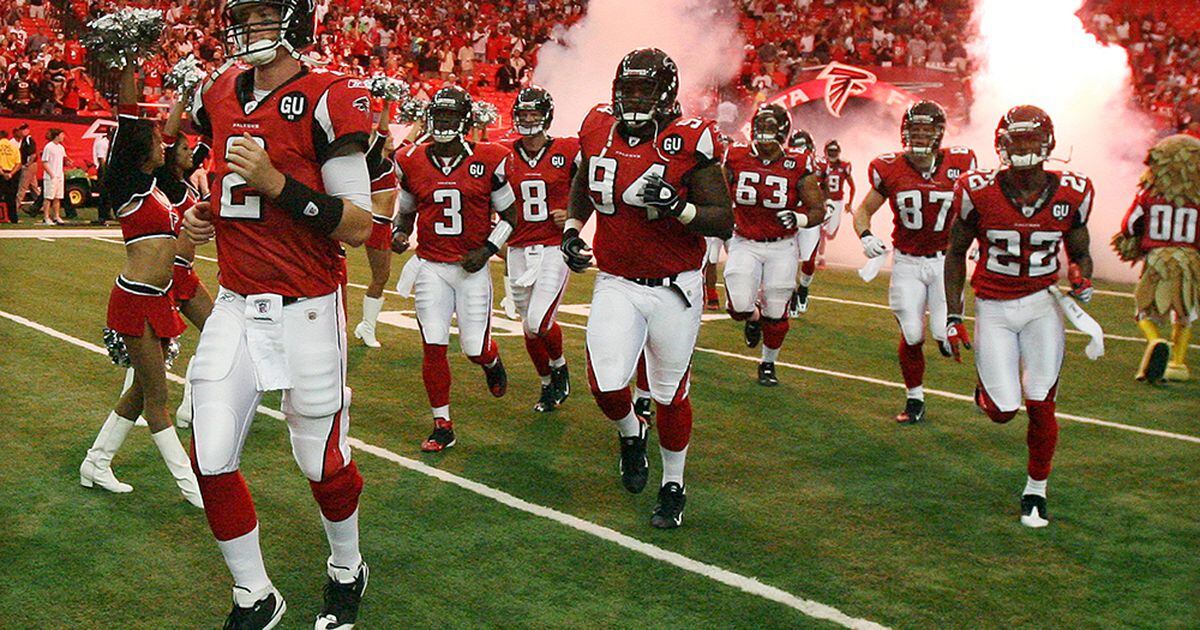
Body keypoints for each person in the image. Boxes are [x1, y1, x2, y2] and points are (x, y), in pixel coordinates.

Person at [181, 0, 374, 626]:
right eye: (247, 14)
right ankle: (255, 595)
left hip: (309, 306)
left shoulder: (328, 96)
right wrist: (203, 212)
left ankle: (347, 566)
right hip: (237, 302)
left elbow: (359, 224)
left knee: (320, 461)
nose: (252, 28)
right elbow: (217, 178)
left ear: (295, 20)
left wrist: (278, 186)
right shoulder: (217, 93)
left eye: (266, 14)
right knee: (209, 453)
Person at [562, 48, 733, 529]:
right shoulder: (597, 126)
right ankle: (630, 432)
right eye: (628, 89)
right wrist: (574, 227)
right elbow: (584, 177)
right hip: (616, 280)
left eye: (645, 90)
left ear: (665, 94)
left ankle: (672, 484)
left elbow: (723, 219)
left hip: (674, 287)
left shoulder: (690, 140)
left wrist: (679, 208)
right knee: (606, 383)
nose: (635, 99)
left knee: (669, 392)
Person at [944, 104, 1096, 528]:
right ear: (1002, 145)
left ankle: (1035, 491)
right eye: (1017, 141)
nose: (1024, 149)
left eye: (1031, 140)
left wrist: (1083, 274)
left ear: (1046, 143)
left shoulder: (1073, 191)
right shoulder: (977, 190)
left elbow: (1080, 250)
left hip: (1042, 305)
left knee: (1041, 402)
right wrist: (954, 316)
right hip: (993, 305)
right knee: (1003, 411)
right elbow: (955, 253)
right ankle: (988, 391)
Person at [79, 61, 203, 510]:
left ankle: (96, 461)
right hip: (134, 300)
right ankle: (194, 489)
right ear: (138, 149)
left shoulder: (157, 187)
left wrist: (186, 95)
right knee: (158, 399)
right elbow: (129, 119)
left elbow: (163, 135)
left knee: (140, 391)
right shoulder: (128, 183)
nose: (162, 145)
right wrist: (128, 57)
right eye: (155, 142)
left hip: (159, 298)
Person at [391, 85, 516, 452]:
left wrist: (489, 249)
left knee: (474, 347)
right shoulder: (411, 159)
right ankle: (442, 423)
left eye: (450, 115)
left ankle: (490, 359)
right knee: (433, 345)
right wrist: (400, 233)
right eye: (439, 115)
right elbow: (407, 211)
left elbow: (510, 215)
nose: (443, 122)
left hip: (471, 267)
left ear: (463, 120)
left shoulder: (490, 158)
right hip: (431, 266)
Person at [851, 100, 977, 424]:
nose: (920, 136)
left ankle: (952, 343)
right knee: (911, 333)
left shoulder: (961, 162)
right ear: (904, 131)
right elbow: (864, 209)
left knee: (941, 332)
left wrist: (979, 242)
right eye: (915, 129)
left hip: (945, 263)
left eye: (927, 130)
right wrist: (866, 235)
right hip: (907, 261)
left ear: (939, 133)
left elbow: (976, 208)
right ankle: (915, 398)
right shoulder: (888, 166)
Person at [722, 103, 826, 385]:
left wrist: (799, 218)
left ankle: (768, 363)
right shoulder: (735, 156)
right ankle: (752, 318)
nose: (764, 133)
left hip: (782, 245)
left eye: (771, 127)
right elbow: (717, 195)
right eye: (761, 126)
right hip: (744, 240)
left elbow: (818, 209)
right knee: (739, 307)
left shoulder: (798, 162)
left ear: (782, 132)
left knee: (776, 309)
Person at [501, 86, 578, 412]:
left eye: (534, 113)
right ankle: (547, 383)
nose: (529, 119)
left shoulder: (568, 150)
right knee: (528, 328)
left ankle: (559, 365)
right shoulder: (502, 153)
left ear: (546, 116)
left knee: (539, 321)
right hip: (518, 247)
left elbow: (588, 185)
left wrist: (573, 216)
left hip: (551, 245)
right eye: (524, 114)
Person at [1113, 134, 1200, 383]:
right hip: (1190, 260)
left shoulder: (1148, 196)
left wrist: (1134, 242)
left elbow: (1129, 225)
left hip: (1159, 258)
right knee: (1185, 312)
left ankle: (1155, 341)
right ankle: (1178, 363)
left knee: (1144, 310)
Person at [352, 98, 401, 349]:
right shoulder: (374, 163)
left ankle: (366, 326)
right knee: (380, 277)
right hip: (375, 224)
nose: (393, 139)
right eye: (389, 137)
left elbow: (413, 139)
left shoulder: (392, 162)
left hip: (386, 225)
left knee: (383, 277)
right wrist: (387, 105)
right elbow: (381, 134)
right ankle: (367, 326)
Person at [795, 139, 855, 312]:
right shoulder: (785, 162)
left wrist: (827, 202)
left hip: (814, 211)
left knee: (810, 256)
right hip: (794, 213)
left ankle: (803, 288)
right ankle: (791, 294)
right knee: (788, 255)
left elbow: (826, 187)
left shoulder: (820, 164)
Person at [41, 128, 67, 225]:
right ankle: (46, 217)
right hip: (51, 176)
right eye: (62, 135)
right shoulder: (48, 147)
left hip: (59, 175)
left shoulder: (61, 148)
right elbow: (44, 162)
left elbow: (63, 159)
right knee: (48, 197)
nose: (63, 137)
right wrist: (51, 174)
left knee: (58, 197)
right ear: (56, 136)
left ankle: (56, 216)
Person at [15, 124, 40, 210]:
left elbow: (33, 154)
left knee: (22, 186)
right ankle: (41, 205)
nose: (21, 132)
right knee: (33, 187)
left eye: (23, 130)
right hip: (31, 165)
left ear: (27, 130)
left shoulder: (28, 139)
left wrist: (28, 164)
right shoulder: (24, 140)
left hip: (29, 166)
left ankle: (15, 206)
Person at [93, 126, 113, 224]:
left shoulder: (111, 143)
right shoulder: (102, 143)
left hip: (110, 168)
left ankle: (108, 213)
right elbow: (102, 160)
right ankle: (101, 215)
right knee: (103, 193)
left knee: (110, 193)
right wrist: (105, 172)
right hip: (104, 169)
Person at [0, 130, 20, 223]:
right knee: (11, 197)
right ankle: (13, 218)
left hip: (1, 173)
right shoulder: (14, 147)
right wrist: (11, 173)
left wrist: (3, 173)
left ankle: (2, 216)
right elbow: (18, 163)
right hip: (12, 174)